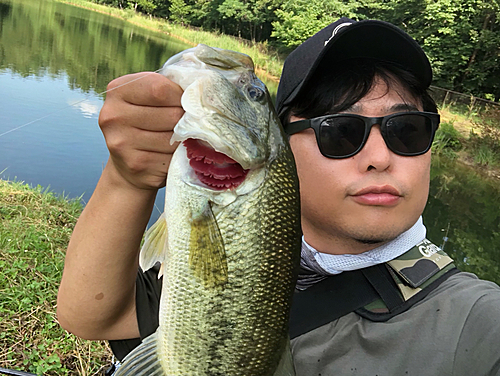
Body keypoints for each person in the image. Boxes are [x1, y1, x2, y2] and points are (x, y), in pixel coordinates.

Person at [57, 18, 500, 375]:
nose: (380, 158)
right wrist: (125, 180)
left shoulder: (476, 321)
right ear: (284, 148)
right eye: (341, 132)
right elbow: (92, 318)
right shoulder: (241, 247)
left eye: (408, 130)